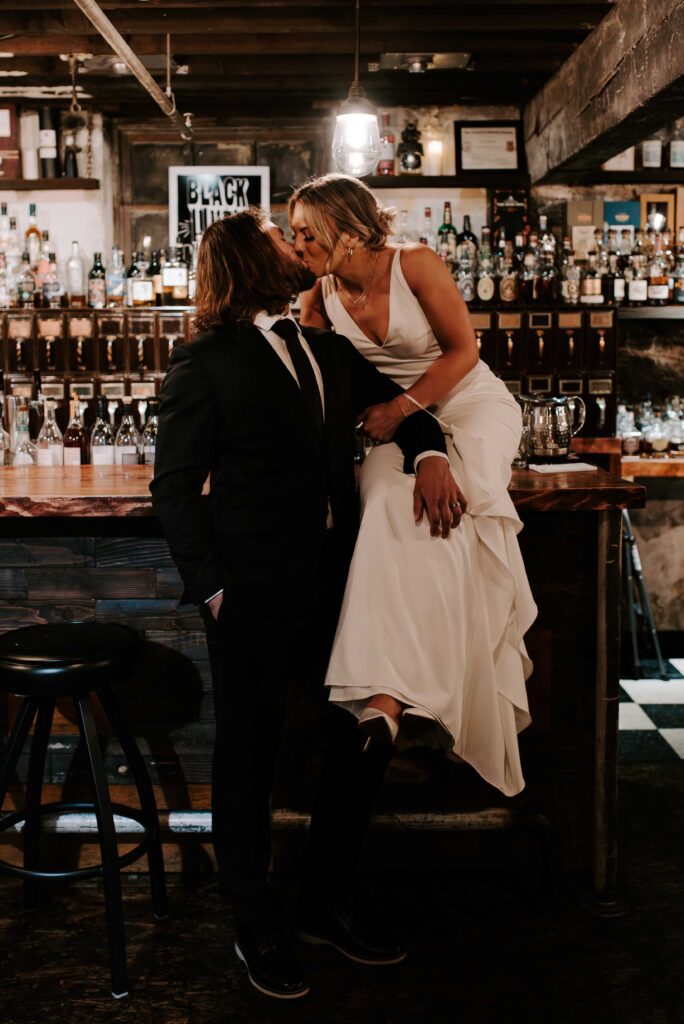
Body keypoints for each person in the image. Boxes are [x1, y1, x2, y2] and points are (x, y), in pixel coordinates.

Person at [150, 207, 464, 1001]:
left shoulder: (325, 347)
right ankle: (254, 919)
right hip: (250, 593)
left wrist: (428, 454)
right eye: (279, 236)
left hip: (339, 585)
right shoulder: (206, 361)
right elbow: (174, 490)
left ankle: (324, 903)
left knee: (360, 737)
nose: (298, 245)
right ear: (247, 259)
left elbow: (408, 411)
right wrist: (215, 592)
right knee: (247, 757)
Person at [290, 173, 537, 798]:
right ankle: (386, 694)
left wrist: (403, 411)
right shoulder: (317, 298)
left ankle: (412, 701)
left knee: (456, 512)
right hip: (392, 429)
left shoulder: (416, 264)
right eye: (293, 236)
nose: (297, 247)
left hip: (466, 404)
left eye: (305, 234)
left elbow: (462, 352)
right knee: (378, 503)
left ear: (347, 232)